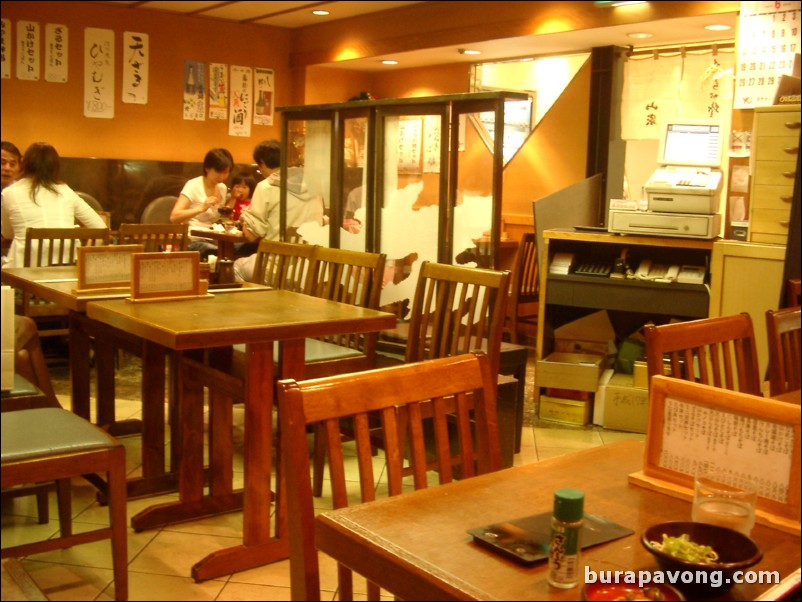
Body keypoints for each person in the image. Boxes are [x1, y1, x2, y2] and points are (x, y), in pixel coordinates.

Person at [1, 142, 108, 269]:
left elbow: (7, 234)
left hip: (23, 273)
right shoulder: (66, 191)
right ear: (55, 167)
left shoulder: (10, 192)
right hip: (65, 270)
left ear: (25, 164)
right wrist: (86, 258)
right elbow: (101, 228)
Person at [234, 140, 324, 281]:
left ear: (262, 163)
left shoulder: (265, 187)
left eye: (259, 167)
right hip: (308, 270)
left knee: (236, 267)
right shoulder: (313, 186)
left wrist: (244, 219)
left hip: (274, 268)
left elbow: (251, 235)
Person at [170, 147, 234, 259]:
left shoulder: (222, 188)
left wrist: (226, 218)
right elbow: (174, 217)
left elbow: (215, 220)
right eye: (219, 172)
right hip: (194, 239)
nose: (222, 177)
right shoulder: (193, 185)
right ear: (207, 168)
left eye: (226, 173)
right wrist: (201, 208)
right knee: (219, 253)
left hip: (215, 237)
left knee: (241, 248)